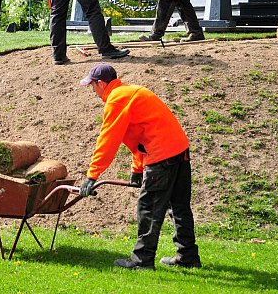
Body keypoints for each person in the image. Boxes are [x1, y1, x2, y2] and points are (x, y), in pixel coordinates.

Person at [79, 63, 202, 270]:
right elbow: (140, 137)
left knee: (149, 209)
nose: (92, 91)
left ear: (101, 83)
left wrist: (92, 175)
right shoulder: (132, 91)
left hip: (162, 156)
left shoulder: (116, 100)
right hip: (180, 151)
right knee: (179, 207)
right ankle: (188, 257)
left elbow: (108, 139)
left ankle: (142, 261)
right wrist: (137, 170)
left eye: (92, 86)